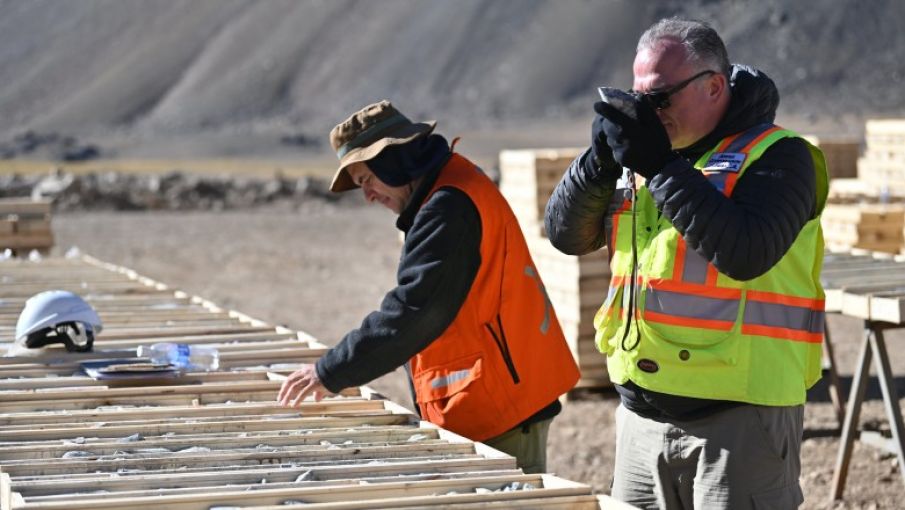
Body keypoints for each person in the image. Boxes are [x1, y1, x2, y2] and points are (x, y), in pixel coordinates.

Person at [545, 17, 827, 509]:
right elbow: (567, 235)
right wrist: (597, 162)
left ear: (714, 86)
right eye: (638, 100)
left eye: (660, 100)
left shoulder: (781, 157)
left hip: (739, 419)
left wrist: (659, 166)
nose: (648, 116)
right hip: (641, 415)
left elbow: (745, 251)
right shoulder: (648, 154)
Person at [278, 100, 580, 473]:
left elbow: (414, 311)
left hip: (501, 409)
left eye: (366, 179)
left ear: (393, 161)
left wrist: (330, 371)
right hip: (495, 400)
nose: (368, 195)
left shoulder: (447, 207)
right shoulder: (448, 188)